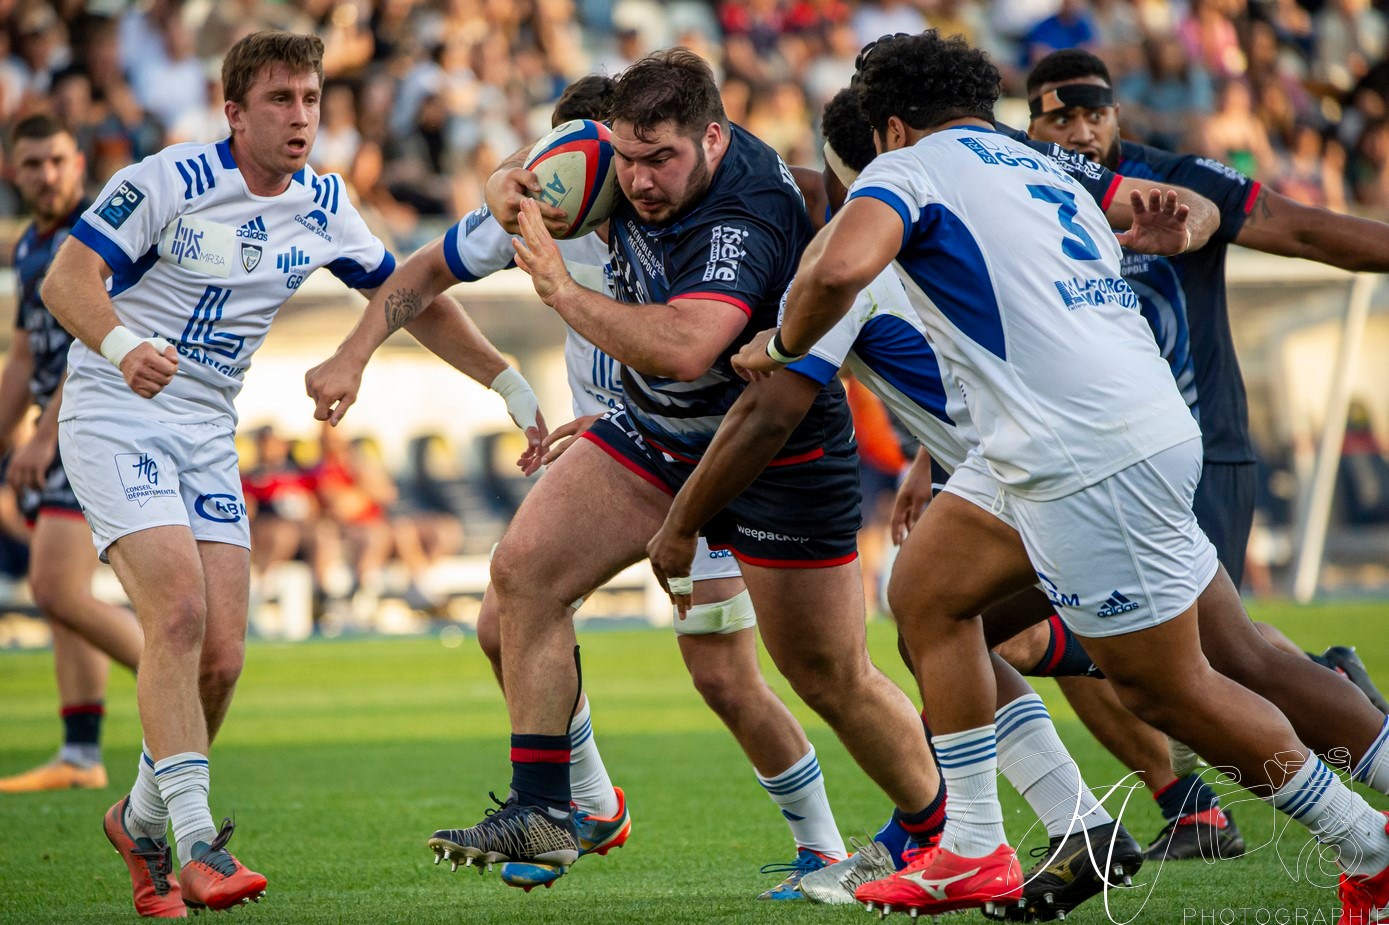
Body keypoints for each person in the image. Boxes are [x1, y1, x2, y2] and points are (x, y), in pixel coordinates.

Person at [737, 32, 1389, 920]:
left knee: (1171, 686)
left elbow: (839, 265)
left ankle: (1369, 847)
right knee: (927, 593)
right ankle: (973, 845)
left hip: (1083, 455)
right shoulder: (1038, 161)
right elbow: (1107, 243)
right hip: (1086, 434)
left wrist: (780, 342)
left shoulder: (910, 165)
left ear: (890, 124)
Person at [334, 47, 945, 887]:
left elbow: (690, 346)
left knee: (825, 674)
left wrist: (559, 289)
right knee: (521, 576)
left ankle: (935, 829)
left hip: (772, 452)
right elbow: (458, 243)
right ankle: (546, 808)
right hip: (653, 437)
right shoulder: (598, 171)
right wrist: (502, 182)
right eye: (628, 156)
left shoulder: (743, 214)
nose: (642, 180)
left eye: (662, 159)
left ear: (714, 140)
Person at [651, 83, 1208, 915]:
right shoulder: (974, 192)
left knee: (1175, 672)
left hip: (1046, 466)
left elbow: (772, 405)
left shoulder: (858, 244)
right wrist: (924, 457)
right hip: (1050, 455)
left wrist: (682, 521)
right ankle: (1071, 822)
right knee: (952, 619)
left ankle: (1335, 806)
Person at [42, 31, 542, 918]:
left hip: (202, 428)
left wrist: (506, 379)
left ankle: (139, 819)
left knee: (224, 658)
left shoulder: (322, 204)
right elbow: (66, 279)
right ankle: (197, 846)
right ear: (232, 112)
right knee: (181, 610)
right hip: (116, 408)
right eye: (279, 100)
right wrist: (121, 346)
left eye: (310, 99)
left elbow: (406, 294)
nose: (301, 117)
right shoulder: (167, 180)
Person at [1019, 47, 1389, 863]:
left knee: (1182, 661)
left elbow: (1304, 228)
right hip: (1088, 463)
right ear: (1030, 124)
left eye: (1094, 113)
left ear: (1117, 115)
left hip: (1201, 452)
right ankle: (1264, 741)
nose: (1080, 132)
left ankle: (1296, 763)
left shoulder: (1175, 179)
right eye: (1059, 117)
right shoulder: (1026, 191)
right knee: (1147, 656)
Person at [0, 114, 145, 795]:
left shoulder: (100, 241)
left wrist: (40, 433)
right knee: (64, 601)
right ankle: (81, 753)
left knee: (54, 589)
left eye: (56, 160)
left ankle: (184, 688)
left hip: (92, 422)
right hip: (54, 432)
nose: (46, 175)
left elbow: (95, 346)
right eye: (32, 163)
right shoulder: (31, 244)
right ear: (14, 171)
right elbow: (26, 352)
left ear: (78, 165)